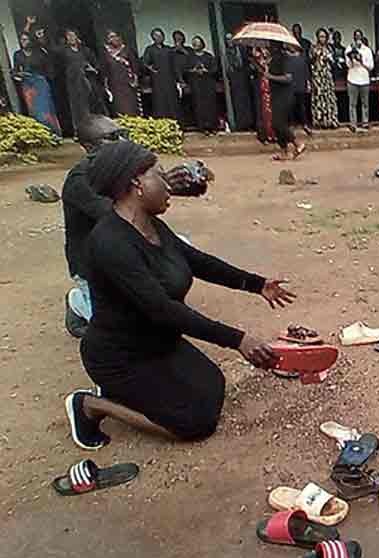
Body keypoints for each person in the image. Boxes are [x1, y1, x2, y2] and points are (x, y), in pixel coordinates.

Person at [64, 140, 293, 449]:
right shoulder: (110, 243)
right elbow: (163, 309)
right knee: (196, 423)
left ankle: (124, 393)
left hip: (159, 343)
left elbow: (198, 262)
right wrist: (237, 339)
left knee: (213, 385)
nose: (169, 185)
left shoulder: (152, 226)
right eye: (160, 176)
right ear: (136, 184)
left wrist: (257, 284)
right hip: (120, 355)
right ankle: (91, 405)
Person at [61, 115, 208, 337]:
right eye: (112, 137)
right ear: (89, 147)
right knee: (126, 332)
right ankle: (78, 302)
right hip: (95, 265)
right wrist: (160, 185)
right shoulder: (80, 180)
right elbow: (119, 214)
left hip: (125, 249)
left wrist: (184, 180)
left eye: (124, 134)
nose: (122, 141)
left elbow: (144, 197)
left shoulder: (123, 169)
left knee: (180, 247)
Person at [13, 27, 62, 135]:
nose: (23, 42)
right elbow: (15, 71)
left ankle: (53, 134)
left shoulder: (39, 53)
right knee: (34, 111)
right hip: (27, 86)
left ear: (30, 40)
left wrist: (44, 77)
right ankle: (41, 135)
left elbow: (49, 68)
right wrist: (19, 75)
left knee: (46, 110)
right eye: (21, 40)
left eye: (25, 39)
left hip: (40, 83)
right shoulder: (18, 54)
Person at [265, 44, 304, 160]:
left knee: (278, 123)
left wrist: (270, 76)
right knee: (275, 125)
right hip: (276, 95)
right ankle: (284, 151)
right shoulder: (273, 59)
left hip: (284, 96)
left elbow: (288, 78)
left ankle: (298, 144)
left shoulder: (284, 59)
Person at [100, 31, 141, 117]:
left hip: (128, 83)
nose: (114, 39)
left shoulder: (127, 50)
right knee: (119, 108)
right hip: (115, 86)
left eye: (115, 36)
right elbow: (104, 71)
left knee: (131, 107)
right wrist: (106, 87)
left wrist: (135, 80)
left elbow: (135, 66)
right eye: (111, 37)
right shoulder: (106, 54)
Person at [143, 28, 180, 119]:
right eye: (156, 35)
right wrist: (151, 69)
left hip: (170, 79)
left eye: (161, 35)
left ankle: (175, 121)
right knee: (160, 102)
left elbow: (175, 65)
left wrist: (179, 80)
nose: (159, 37)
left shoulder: (168, 49)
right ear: (152, 38)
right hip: (157, 80)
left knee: (172, 101)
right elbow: (145, 63)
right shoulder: (150, 49)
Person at [185, 36, 219, 134]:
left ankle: (213, 126)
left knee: (211, 105)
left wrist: (206, 70)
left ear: (202, 44)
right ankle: (202, 127)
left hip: (208, 83)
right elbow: (186, 70)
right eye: (194, 43)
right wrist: (194, 70)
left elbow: (215, 69)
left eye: (197, 42)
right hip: (196, 84)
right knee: (199, 105)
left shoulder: (208, 56)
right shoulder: (190, 57)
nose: (195, 44)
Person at [225, 33, 256, 131]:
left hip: (244, 78)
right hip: (233, 80)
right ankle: (240, 125)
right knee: (237, 103)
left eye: (231, 39)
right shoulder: (225, 53)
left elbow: (248, 62)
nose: (230, 41)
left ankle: (250, 124)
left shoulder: (241, 50)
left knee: (247, 102)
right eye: (227, 39)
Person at [346, 29, 374, 131]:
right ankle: (353, 124)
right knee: (352, 104)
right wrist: (351, 58)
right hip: (352, 79)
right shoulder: (349, 48)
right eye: (356, 36)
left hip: (364, 80)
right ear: (353, 37)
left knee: (365, 103)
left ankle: (365, 123)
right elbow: (348, 65)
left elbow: (371, 66)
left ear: (362, 37)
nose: (357, 37)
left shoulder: (367, 50)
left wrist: (361, 60)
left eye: (359, 36)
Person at [311, 28, 339, 129]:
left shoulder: (329, 48)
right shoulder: (313, 47)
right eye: (320, 36)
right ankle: (319, 121)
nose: (322, 38)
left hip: (327, 75)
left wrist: (330, 58)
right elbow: (311, 61)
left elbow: (333, 62)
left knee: (329, 98)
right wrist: (317, 55)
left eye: (324, 36)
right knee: (319, 98)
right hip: (318, 76)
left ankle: (330, 120)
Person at [283, 43, 312, 136]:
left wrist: (308, 83)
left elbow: (306, 71)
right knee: (290, 105)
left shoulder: (302, 58)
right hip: (290, 84)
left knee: (301, 106)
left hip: (300, 84)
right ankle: (291, 124)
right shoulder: (285, 58)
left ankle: (305, 124)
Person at [251, 46, 275, 143]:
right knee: (263, 111)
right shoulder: (255, 58)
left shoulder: (271, 58)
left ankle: (272, 134)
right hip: (261, 87)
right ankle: (264, 134)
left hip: (270, 85)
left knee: (270, 111)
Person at [171, 30, 192, 125]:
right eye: (176, 38)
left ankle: (190, 121)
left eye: (180, 37)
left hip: (189, 79)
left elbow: (193, 59)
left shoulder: (189, 49)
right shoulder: (171, 51)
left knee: (190, 101)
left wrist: (183, 50)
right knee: (178, 103)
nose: (178, 39)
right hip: (175, 80)